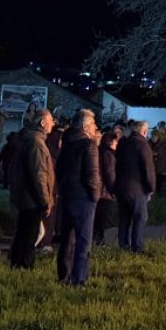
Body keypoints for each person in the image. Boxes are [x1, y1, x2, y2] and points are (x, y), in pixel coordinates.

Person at [54, 109, 101, 286]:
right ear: (85, 126)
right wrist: (95, 195)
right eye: (93, 124)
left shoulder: (66, 142)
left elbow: (59, 168)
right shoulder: (89, 145)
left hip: (67, 195)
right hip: (83, 197)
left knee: (67, 239)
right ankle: (79, 278)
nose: (95, 127)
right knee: (83, 241)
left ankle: (64, 275)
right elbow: (92, 175)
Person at [8, 109, 56, 269]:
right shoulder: (36, 143)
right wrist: (45, 200)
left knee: (23, 234)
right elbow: (39, 174)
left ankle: (17, 265)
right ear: (42, 123)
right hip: (32, 199)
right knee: (29, 236)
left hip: (27, 197)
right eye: (50, 121)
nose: (53, 124)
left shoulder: (31, 140)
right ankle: (24, 266)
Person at [115, 120, 156, 253]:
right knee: (140, 217)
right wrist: (151, 187)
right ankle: (137, 247)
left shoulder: (123, 143)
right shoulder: (142, 144)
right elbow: (148, 168)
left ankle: (123, 245)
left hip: (121, 185)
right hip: (137, 187)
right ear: (144, 131)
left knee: (124, 217)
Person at [94, 126, 120, 245]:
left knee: (99, 219)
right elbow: (110, 173)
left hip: (102, 192)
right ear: (111, 142)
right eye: (115, 141)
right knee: (103, 220)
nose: (117, 143)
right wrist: (114, 190)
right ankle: (100, 242)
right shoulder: (108, 154)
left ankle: (98, 240)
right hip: (106, 193)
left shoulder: (102, 152)